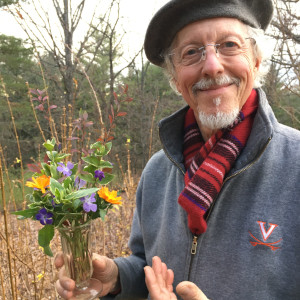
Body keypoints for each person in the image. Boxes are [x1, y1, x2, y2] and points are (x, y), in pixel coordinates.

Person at [55, 0, 300, 299]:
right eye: (191, 52)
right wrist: (117, 278)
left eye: (229, 45)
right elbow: (147, 264)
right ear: (175, 77)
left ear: (256, 61)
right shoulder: (157, 172)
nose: (212, 66)